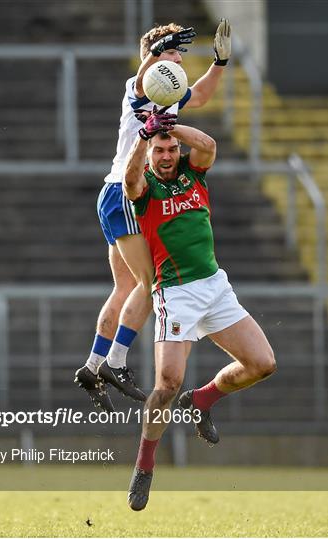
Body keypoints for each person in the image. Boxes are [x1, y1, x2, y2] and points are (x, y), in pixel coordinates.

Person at [74, 20, 232, 412]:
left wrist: (220, 62)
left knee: (125, 288)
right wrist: (155, 51)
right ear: (158, 57)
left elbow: (202, 96)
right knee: (152, 282)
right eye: (174, 55)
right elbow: (145, 80)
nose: (179, 61)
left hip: (116, 196)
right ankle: (116, 363)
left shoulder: (169, 94)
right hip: (124, 194)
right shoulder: (141, 85)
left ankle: (93, 367)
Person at [122, 110, 277, 511]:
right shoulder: (147, 188)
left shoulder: (196, 173)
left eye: (172, 148)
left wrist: (170, 126)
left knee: (262, 363)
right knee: (167, 383)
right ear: (151, 153)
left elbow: (207, 144)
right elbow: (130, 179)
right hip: (175, 293)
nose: (168, 155)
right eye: (160, 150)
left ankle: (203, 400)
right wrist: (144, 137)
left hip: (214, 287)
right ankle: (144, 467)